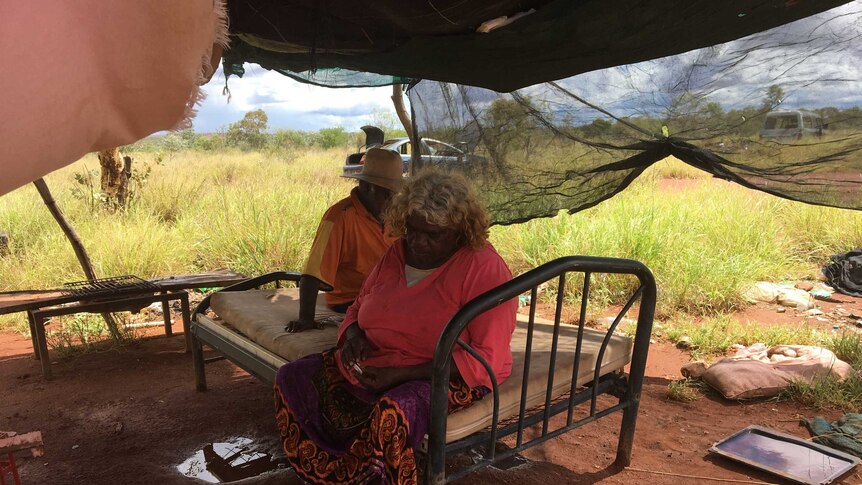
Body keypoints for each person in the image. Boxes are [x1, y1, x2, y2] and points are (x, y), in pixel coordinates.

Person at [274, 170, 518, 484]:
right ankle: (325, 471)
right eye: (413, 230)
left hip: (447, 374)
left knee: (392, 411)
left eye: (433, 234)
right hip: (381, 360)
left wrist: (401, 375)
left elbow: (487, 357)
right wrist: (353, 336)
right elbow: (359, 307)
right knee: (291, 376)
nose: (418, 242)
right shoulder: (397, 253)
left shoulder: (482, 268)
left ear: (460, 230)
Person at [286, 147, 404, 332]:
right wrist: (306, 319)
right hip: (352, 300)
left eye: (394, 194)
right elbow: (312, 273)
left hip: (392, 295)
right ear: (366, 187)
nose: (392, 200)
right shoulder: (339, 217)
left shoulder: (397, 215)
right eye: (386, 194)